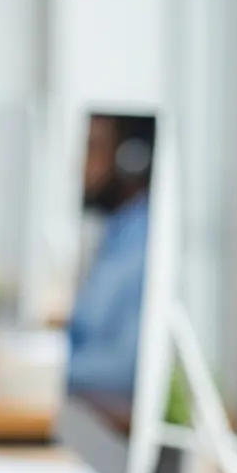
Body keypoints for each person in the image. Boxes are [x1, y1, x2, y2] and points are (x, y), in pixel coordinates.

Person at [64, 114, 156, 395]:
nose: (79, 167)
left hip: (102, 407)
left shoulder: (143, 243)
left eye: (92, 149)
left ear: (131, 160)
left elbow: (123, 368)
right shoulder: (117, 230)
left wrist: (48, 371)